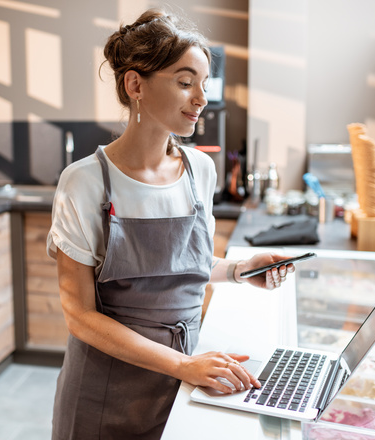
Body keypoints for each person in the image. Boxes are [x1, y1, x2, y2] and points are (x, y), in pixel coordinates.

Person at [46, 8, 295, 439]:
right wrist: (183, 364)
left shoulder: (200, 169)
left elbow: (177, 264)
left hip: (184, 378)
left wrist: (239, 270)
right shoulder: (85, 182)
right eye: (184, 82)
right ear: (135, 84)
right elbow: (80, 315)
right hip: (105, 392)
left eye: (203, 83)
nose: (200, 98)